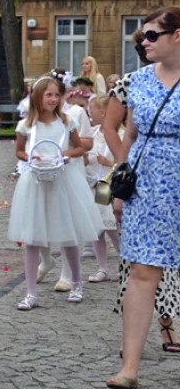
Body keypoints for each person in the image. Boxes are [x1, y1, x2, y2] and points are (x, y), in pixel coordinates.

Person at [108, 7, 180, 389]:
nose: (144, 43)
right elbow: (131, 135)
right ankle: (130, 367)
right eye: (142, 38)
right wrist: (120, 185)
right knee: (142, 273)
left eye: (152, 36)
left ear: (177, 36)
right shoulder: (138, 81)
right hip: (147, 185)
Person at [9, 76, 101, 310]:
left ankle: (76, 283)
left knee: (68, 233)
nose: (52, 99)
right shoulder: (27, 125)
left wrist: (68, 154)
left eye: (56, 95)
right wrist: (31, 157)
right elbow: (20, 151)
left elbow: (80, 147)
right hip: (36, 181)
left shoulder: (67, 121)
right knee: (32, 237)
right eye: (47, 94)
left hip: (63, 180)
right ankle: (31, 292)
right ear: (37, 97)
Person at [85, 94, 121, 283]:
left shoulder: (119, 134)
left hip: (110, 186)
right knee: (96, 229)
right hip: (94, 185)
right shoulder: (92, 133)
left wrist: (108, 162)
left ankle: (125, 263)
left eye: (92, 111)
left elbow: (124, 160)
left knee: (112, 228)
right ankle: (102, 268)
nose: (90, 114)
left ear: (103, 112)